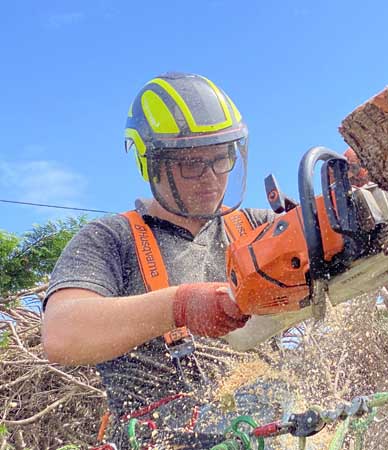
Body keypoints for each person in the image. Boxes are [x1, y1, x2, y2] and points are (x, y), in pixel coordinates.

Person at [42, 72, 291, 449]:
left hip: (268, 429)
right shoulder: (111, 239)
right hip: (159, 437)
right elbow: (62, 334)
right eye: (192, 163)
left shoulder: (256, 227)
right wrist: (178, 305)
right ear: (151, 164)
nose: (210, 178)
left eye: (221, 159)